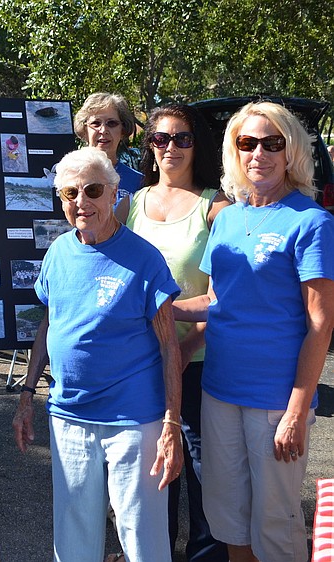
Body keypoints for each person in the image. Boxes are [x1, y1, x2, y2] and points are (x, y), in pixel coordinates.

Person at [173, 101, 334, 562]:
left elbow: (320, 324)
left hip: (274, 401)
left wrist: (296, 410)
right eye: (247, 143)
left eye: (272, 143)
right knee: (229, 518)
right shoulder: (228, 218)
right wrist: (160, 310)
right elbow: (217, 301)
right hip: (219, 392)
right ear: (235, 151)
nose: (258, 153)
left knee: (275, 525)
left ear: (291, 151)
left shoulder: (311, 222)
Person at [12, 146, 183, 562]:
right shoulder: (58, 252)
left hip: (134, 419)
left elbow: (168, 344)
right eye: (70, 193)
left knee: (141, 536)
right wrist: (27, 395)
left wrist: (171, 423)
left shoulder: (144, 258)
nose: (81, 202)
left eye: (92, 190)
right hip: (68, 414)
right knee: (73, 535)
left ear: (113, 192)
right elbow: (49, 325)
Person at [125, 104, 231, 561]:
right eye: (161, 138)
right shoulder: (131, 204)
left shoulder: (216, 208)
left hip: (199, 361)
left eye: (182, 138)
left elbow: (224, 297)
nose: (171, 147)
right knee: (154, 471)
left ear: (196, 144)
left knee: (205, 473)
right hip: (142, 362)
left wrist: (187, 344)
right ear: (149, 146)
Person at [74, 92, 143, 215]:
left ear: (122, 130)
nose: (103, 130)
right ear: (85, 130)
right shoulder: (68, 175)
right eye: (96, 123)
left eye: (111, 123)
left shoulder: (138, 181)